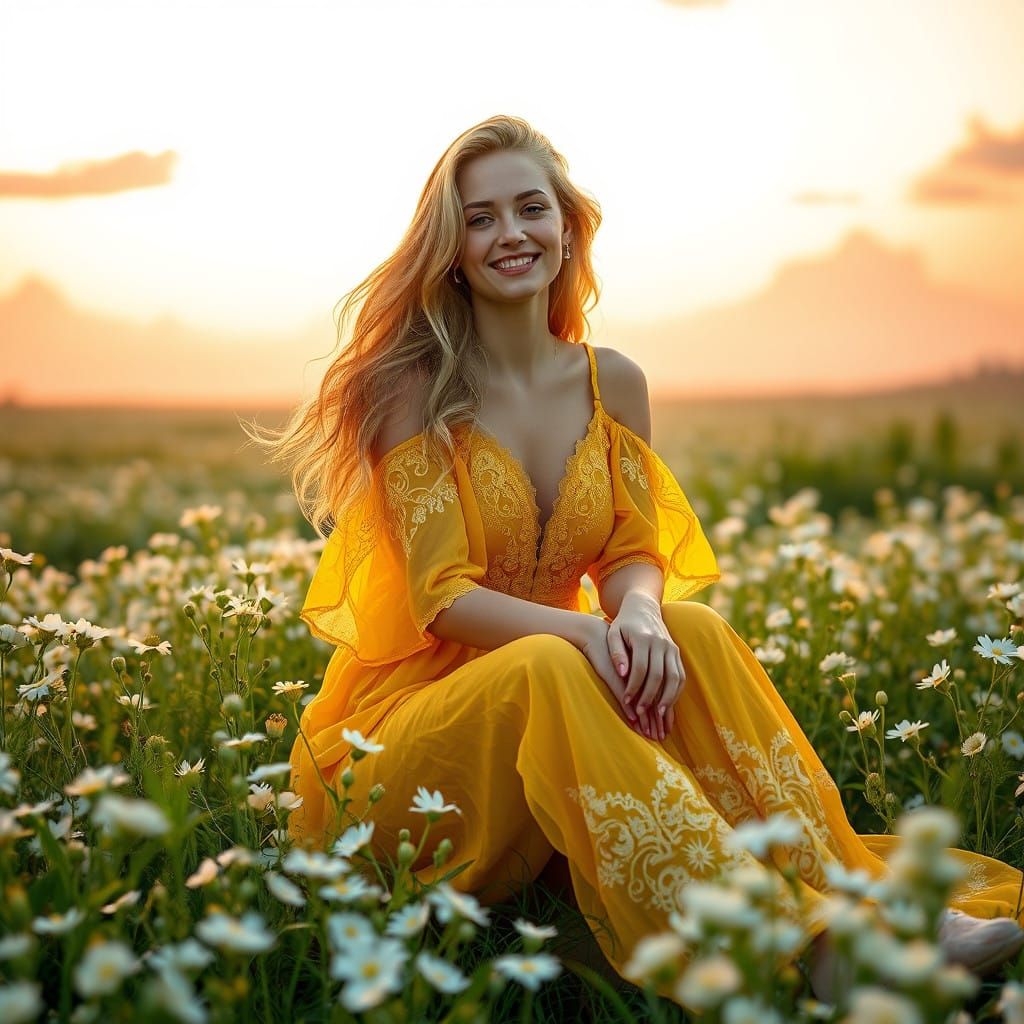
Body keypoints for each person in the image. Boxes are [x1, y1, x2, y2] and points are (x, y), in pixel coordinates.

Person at [260, 115, 1024, 1009]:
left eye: (530, 208)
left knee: (690, 626)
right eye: (480, 218)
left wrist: (641, 611)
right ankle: (796, 952)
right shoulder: (410, 389)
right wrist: (588, 632)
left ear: (567, 225)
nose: (511, 234)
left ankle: (875, 909)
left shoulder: (612, 381)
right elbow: (441, 601)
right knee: (548, 660)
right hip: (403, 753)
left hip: (562, 690)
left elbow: (631, 549)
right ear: (451, 249)